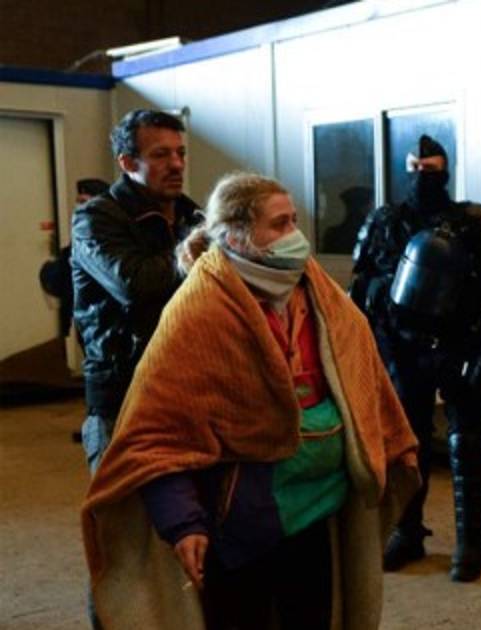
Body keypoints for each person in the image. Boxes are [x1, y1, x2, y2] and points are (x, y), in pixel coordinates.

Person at [81, 172, 421, 629]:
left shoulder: (320, 294)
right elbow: (157, 434)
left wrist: (391, 445)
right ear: (236, 236)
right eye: (279, 224)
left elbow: (365, 384)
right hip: (242, 525)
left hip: (320, 515)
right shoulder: (198, 313)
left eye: (294, 220)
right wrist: (183, 523)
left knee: (315, 618)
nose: (296, 235)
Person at [351, 134, 481, 582]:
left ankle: (472, 541)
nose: (421, 176)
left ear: (446, 170)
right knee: (408, 444)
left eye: (431, 169)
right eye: (415, 168)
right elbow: (359, 286)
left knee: (466, 442)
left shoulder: (474, 224)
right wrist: (380, 302)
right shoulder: (385, 222)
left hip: (459, 344)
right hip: (403, 347)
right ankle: (406, 531)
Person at [72, 109, 202, 475]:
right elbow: (134, 284)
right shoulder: (96, 219)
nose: (176, 164)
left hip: (188, 385)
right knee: (124, 502)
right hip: (123, 393)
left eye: (180, 153)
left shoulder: (194, 217)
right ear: (127, 162)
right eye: (161, 154)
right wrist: (195, 251)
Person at [40, 178, 109, 338]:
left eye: (84, 202)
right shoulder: (81, 233)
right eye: (78, 202)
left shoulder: (107, 237)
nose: (79, 209)